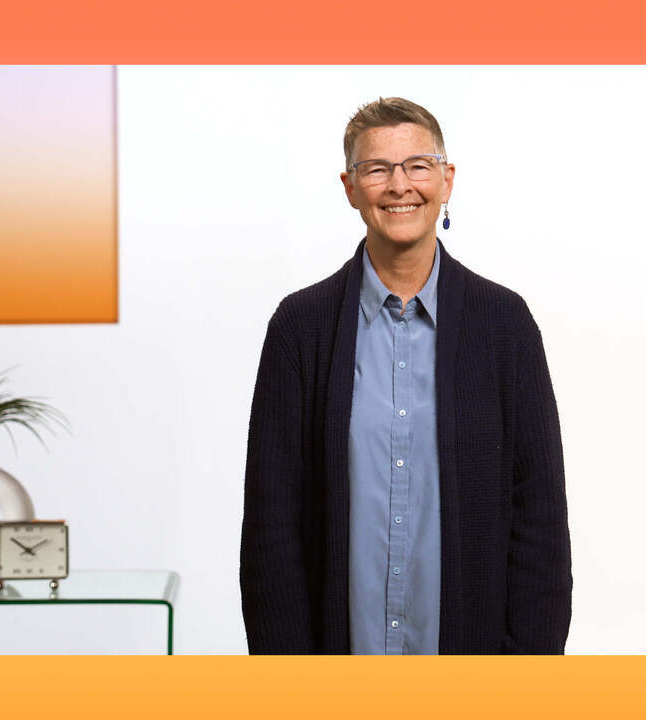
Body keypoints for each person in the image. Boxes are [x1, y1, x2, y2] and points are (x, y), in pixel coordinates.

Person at [240, 97, 571, 654]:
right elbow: (272, 530)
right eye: (377, 169)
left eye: (418, 165)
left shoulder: (505, 326)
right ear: (350, 187)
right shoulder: (300, 330)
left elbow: (538, 520)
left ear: (447, 180)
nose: (400, 185)